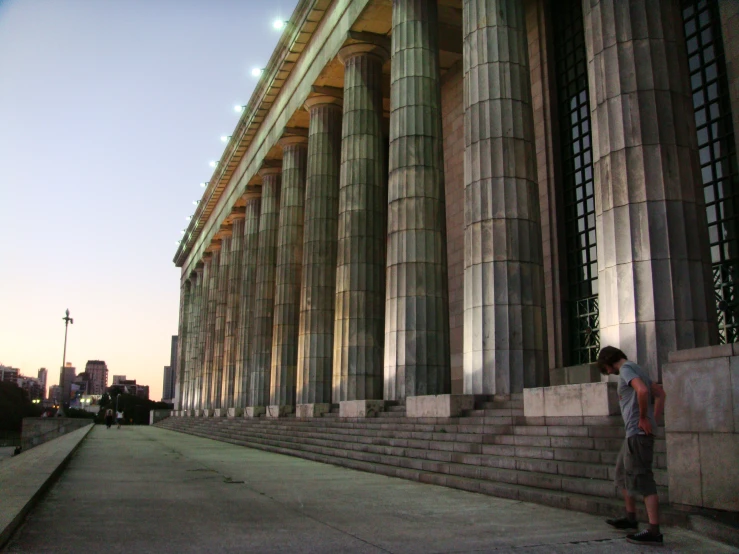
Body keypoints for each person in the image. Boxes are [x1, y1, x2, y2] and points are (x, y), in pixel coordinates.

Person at [597, 346, 666, 546]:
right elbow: (660, 394)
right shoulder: (637, 368)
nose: (608, 372)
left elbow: (643, 391)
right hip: (633, 434)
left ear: (609, 361)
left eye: (606, 368)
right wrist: (653, 419)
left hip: (637, 434)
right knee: (622, 473)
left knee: (643, 478)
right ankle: (630, 517)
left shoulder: (626, 370)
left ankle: (654, 531)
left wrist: (644, 418)